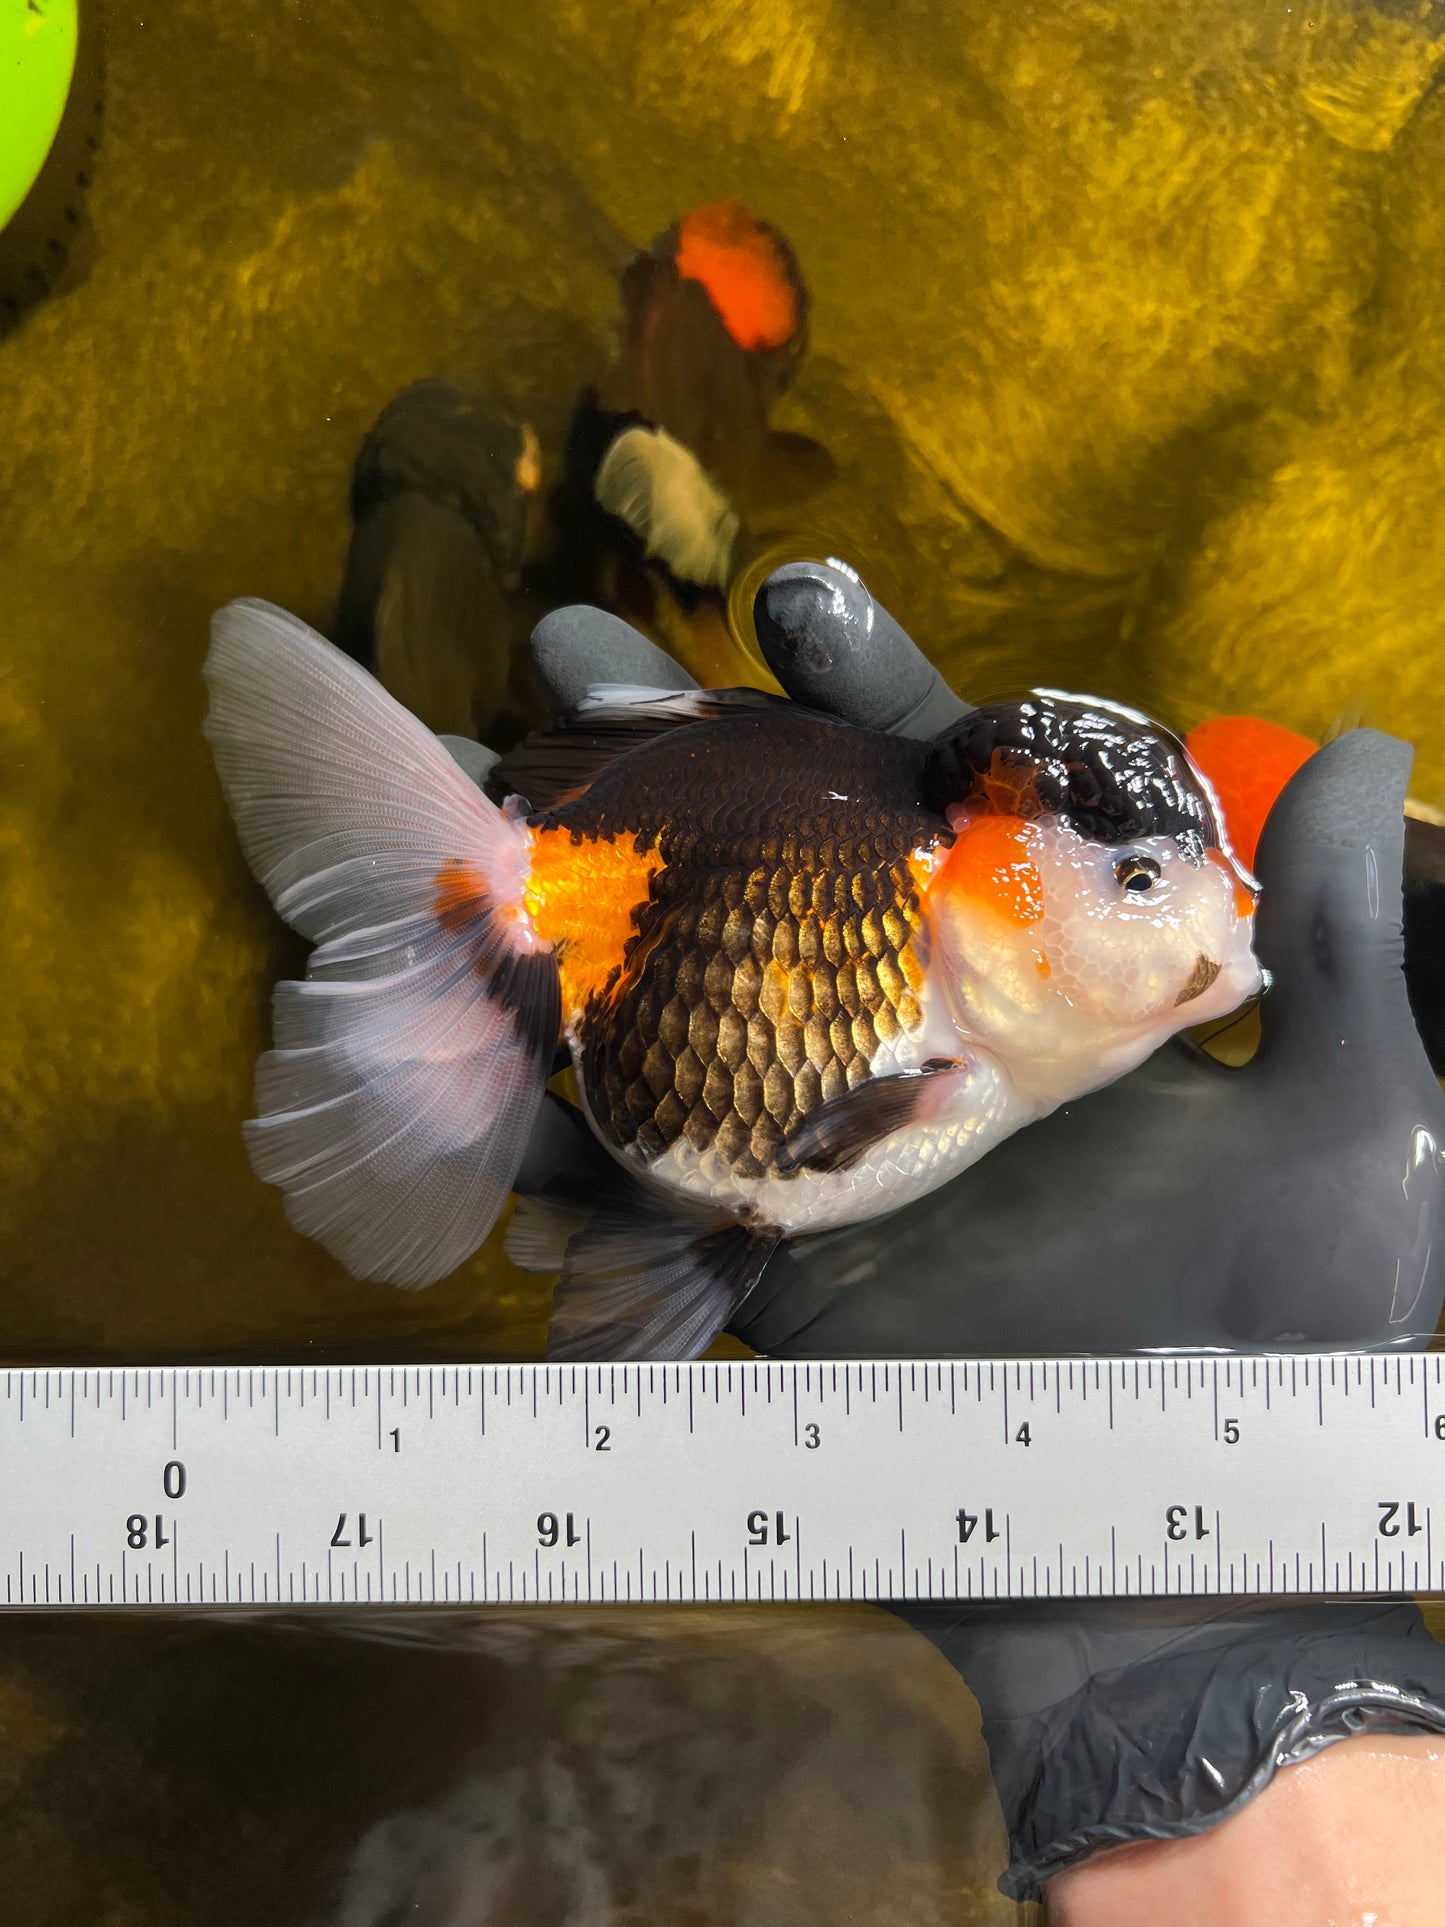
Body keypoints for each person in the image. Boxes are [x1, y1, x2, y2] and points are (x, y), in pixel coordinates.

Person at [496, 560, 1445, 1920]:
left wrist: (1219, 1657)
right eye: (1133, 880)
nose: (1207, 918)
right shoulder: (949, 995)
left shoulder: (1003, 1023)